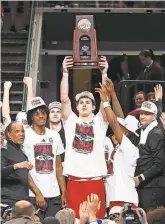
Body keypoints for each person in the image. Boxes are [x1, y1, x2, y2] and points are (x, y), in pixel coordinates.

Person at [60, 56, 109, 218]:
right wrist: (65, 73)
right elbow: (64, 99)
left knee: (97, 220)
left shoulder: (100, 121)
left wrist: (104, 74)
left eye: (88, 101)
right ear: (77, 106)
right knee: (75, 220)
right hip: (75, 181)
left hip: (95, 180)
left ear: (94, 106)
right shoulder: (71, 121)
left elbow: (105, 100)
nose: (84, 104)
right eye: (81, 102)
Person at [95, 79, 139, 215]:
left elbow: (114, 123)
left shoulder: (130, 148)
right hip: (114, 199)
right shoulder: (120, 147)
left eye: (122, 129)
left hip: (124, 200)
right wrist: (113, 94)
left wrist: (105, 102)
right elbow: (118, 117)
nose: (117, 130)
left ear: (128, 133)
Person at [23, 97, 66, 220]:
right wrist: (38, 193)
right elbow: (24, 169)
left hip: (54, 194)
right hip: (33, 194)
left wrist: (64, 192)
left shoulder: (54, 135)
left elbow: (58, 166)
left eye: (43, 113)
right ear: (31, 117)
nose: (41, 116)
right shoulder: (25, 136)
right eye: (37, 114)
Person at [1, 122, 45, 209]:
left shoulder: (21, 151)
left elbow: (25, 175)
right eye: (17, 132)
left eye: (22, 131)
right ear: (9, 134)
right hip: (8, 201)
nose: (21, 134)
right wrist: (15, 166)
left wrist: (38, 193)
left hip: (23, 199)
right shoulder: (3, 151)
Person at [132, 101, 165, 211]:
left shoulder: (156, 135)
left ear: (154, 116)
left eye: (146, 113)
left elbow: (160, 164)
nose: (142, 116)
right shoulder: (140, 132)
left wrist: (141, 177)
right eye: (141, 113)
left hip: (153, 187)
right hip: (144, 186)